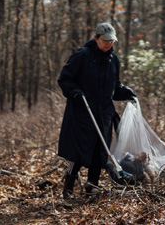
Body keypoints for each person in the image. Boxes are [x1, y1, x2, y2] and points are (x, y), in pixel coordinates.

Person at [57, 23, 136, 201]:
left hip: (104, 113)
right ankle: (68, 186)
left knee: (99, 152)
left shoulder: (113, 60)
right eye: (105, 40)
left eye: (112, 41)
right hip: (82, 112)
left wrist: (126, 92)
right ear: (97, 38)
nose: (109, 44)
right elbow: (65, 79)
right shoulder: (82, 55)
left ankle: (92, 186)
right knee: (78, 151)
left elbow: (113, 88)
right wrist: (75, 92)